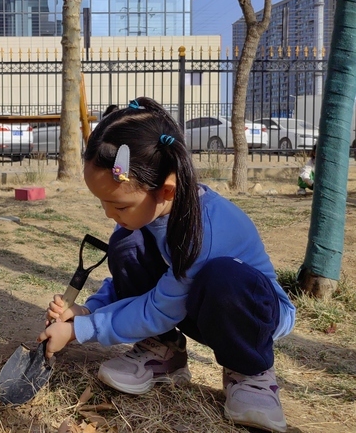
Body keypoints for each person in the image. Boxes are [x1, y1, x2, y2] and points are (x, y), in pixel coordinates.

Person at [38, 97, 295, 433]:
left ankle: (250, 370)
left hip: (249, 312)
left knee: (223, 278)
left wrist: (79, 331)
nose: (107, 214)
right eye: (102, 203)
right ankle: (164, 351)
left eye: (117, 205)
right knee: (126, 244)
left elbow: (161, 308)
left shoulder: (204, 231)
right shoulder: (149, 213)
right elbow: (131, 282)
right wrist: (89, 311)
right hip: (190, 301)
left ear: (167, 190)